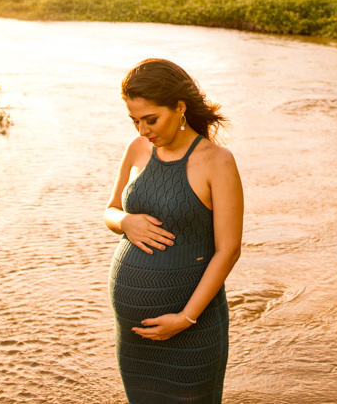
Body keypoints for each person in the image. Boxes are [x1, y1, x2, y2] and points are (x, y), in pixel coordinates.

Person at [104, 58, 244, 404]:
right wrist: (125, 221)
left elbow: (229, 249)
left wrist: (185, 318)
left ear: (179, 107)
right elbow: (110, 210)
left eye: (151, 119)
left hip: (192, 329)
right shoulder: (137, 150)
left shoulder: (217, 161)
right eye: (135, 121)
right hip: (134, 336)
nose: (142, 130)